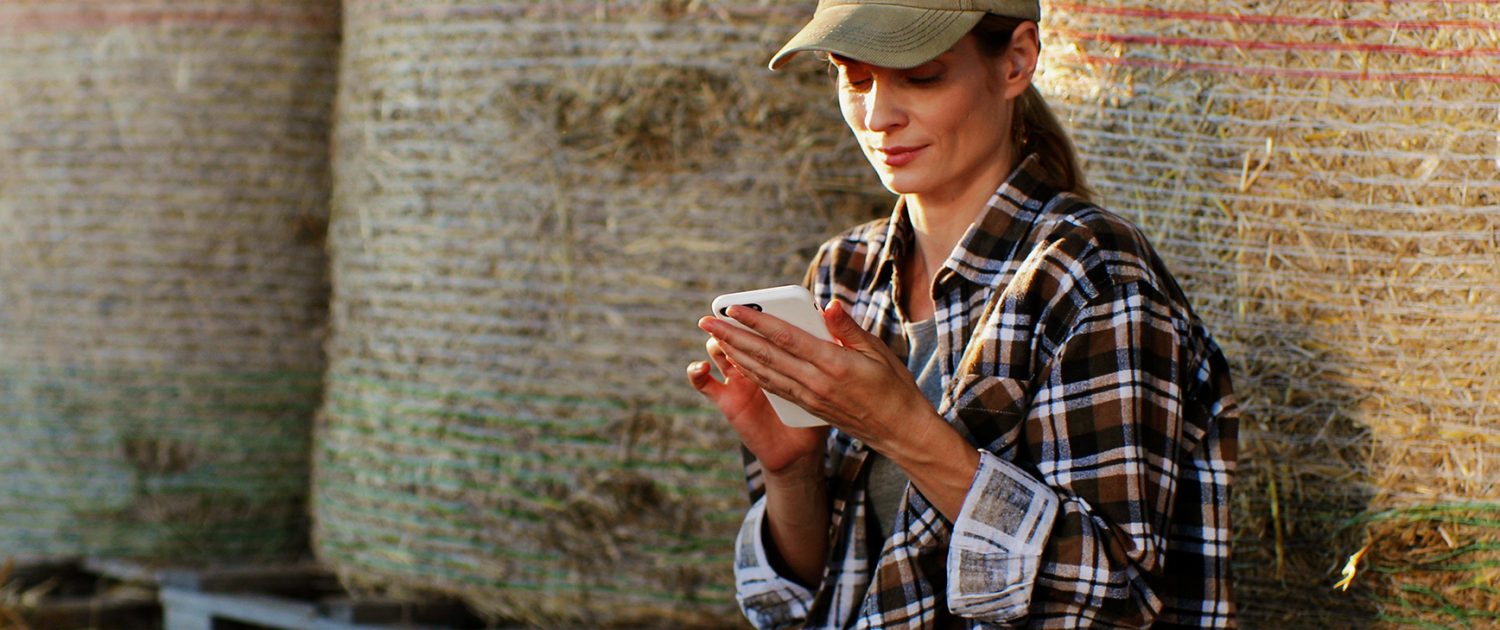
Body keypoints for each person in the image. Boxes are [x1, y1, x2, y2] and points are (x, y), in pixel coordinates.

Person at [686, 1, 1238, 627]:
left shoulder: (1091, 276)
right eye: (855, 77)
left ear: (1017, 62)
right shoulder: (845, 272)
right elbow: (811, 601)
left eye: (922, 77)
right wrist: (793, 472)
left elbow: (1115, 602)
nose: (877, 117)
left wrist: (903, 430)